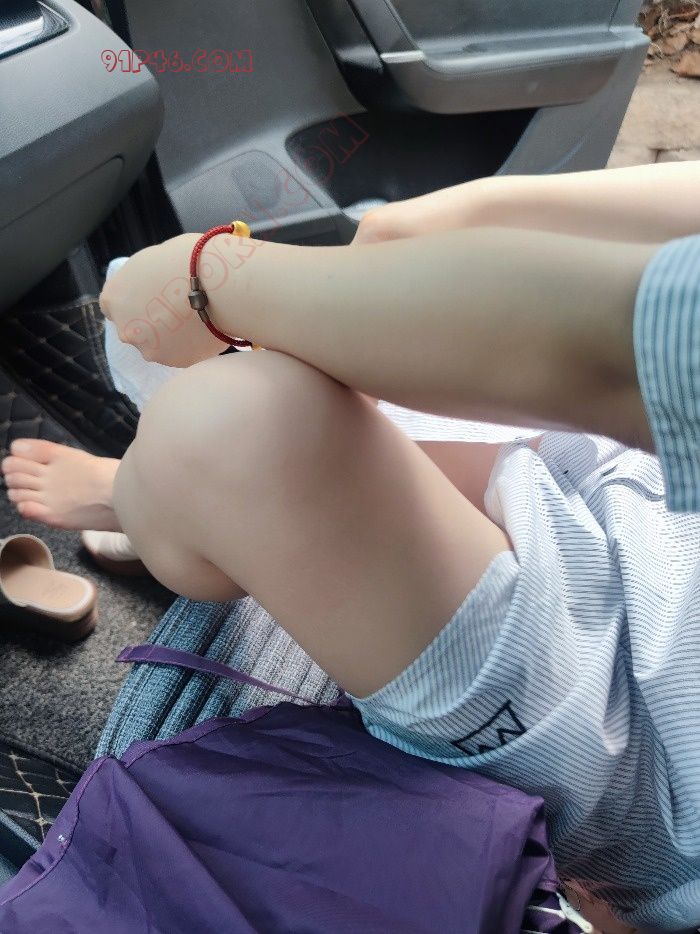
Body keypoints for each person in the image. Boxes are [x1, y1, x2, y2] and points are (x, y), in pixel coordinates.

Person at [3, 162, 700, 931]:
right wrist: (464, 209)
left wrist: (213, 281)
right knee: (369, 330)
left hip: (649, 743)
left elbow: (627, 356)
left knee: (228, 433)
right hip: (627, 479)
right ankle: (173, 504)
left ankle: (144, 500)